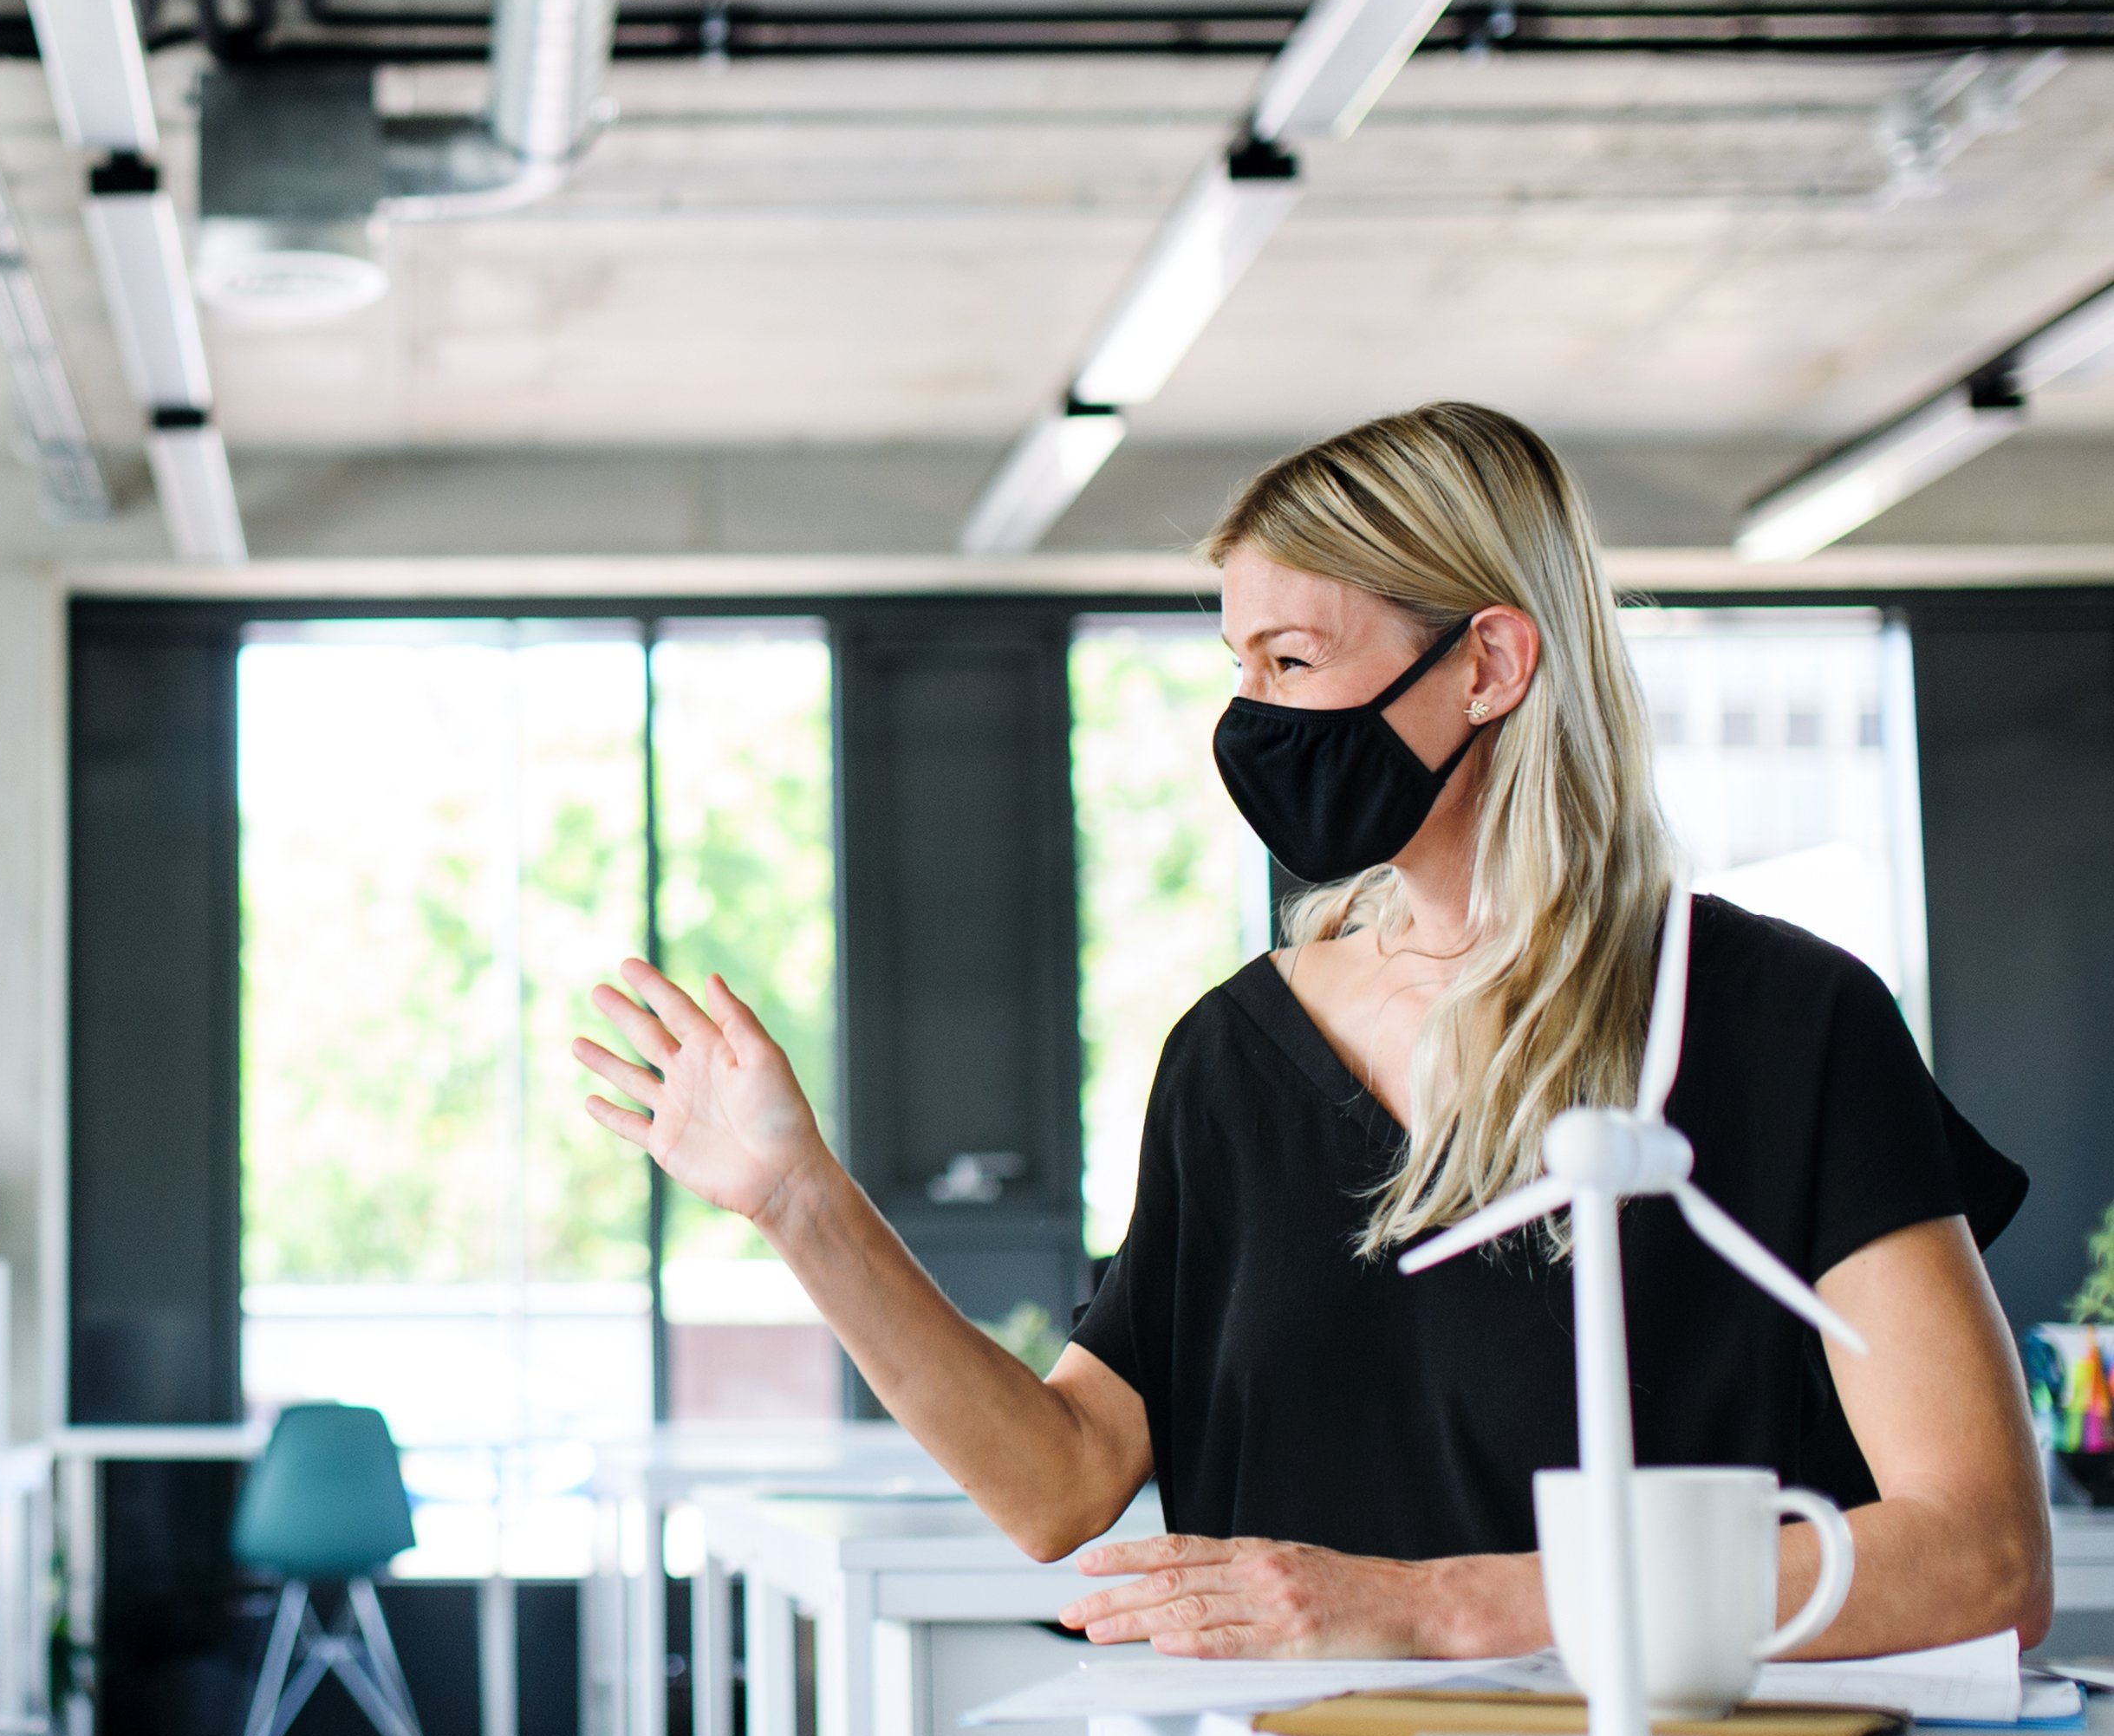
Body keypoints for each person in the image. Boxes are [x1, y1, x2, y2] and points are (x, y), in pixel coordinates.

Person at [579, 401, 2049, 1660]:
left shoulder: (1780, 1024)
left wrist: (1438, 1608)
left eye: (1291, 662)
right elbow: (1059, 1481)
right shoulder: (1231, 1059)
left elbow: (1982, 1555)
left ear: (1487, 664)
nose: (1249, 718)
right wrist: (800, 1203)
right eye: (1238, 665)